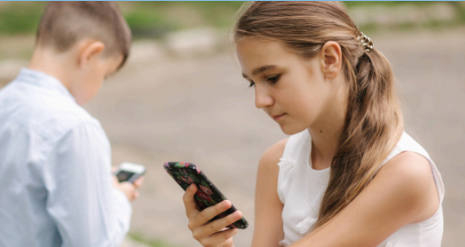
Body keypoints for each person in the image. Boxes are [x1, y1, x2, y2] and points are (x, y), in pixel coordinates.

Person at [182, 2, 444, 247]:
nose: (260, 100)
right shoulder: (277, 163)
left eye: (272, 77)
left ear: (329, 59)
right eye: (253, 82)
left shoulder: (405, 172)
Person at [0, 2, 143, 247]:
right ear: (90, 55)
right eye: (105, 74)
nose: (101, 84)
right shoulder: (75, 128)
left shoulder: (5, 100)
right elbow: (93, 242)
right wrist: (117, 197)